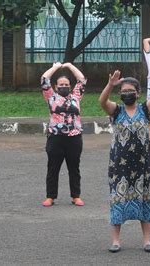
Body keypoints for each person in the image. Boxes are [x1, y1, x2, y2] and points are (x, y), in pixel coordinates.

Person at [98, 66, 150, 253]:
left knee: (145, 200)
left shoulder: (145, 109)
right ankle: (116, 241)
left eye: (131, 91)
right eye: (124, 91)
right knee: (118, 199)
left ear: (138, 93)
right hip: (120, 166)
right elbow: (102, 101)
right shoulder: (116, 111)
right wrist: (110, 85)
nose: (127, 94)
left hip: (144, 165)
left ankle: (147, 241)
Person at [40, 62, 86, 207]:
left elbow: (82, 79)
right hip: (55, 138)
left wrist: (69, 66)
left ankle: (76, 196)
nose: (64, 86)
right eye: (61, 84)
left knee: (74, 167)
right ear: (55, 87)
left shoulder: (76, 96)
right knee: (53, 168)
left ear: (71, 87)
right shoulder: (51, 97)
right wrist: (56, 67)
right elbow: (44, 79)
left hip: (74, 137)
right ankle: (50, 196)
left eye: (66, 84)